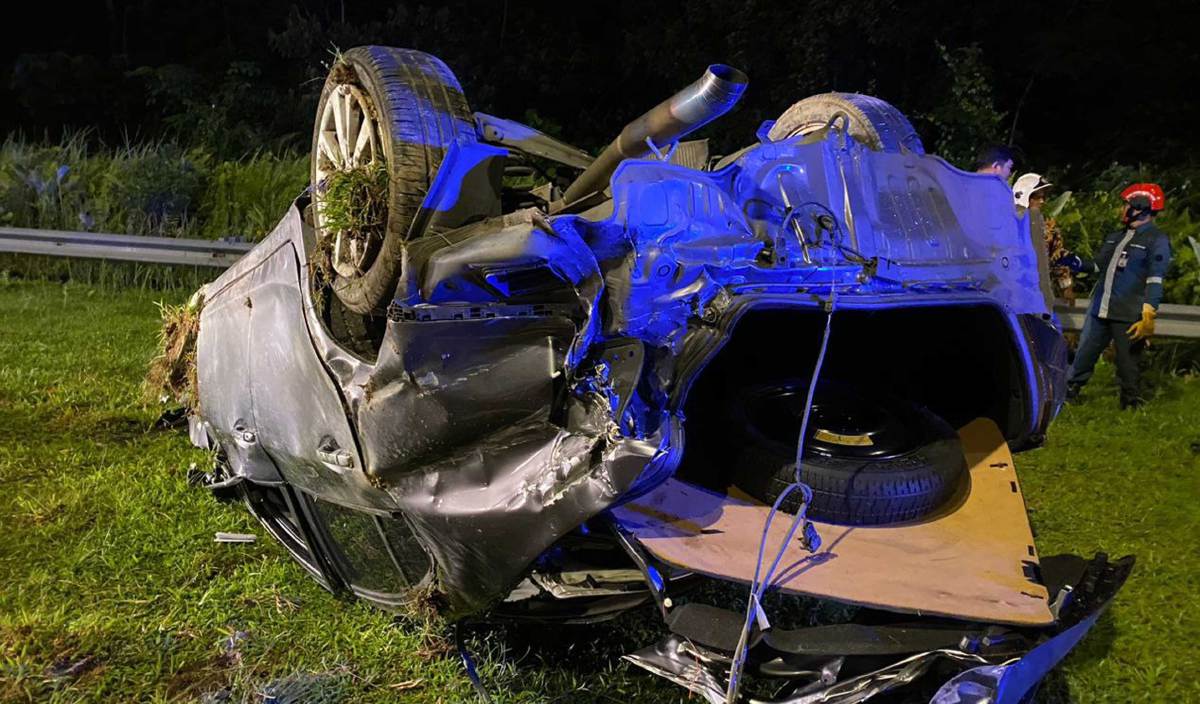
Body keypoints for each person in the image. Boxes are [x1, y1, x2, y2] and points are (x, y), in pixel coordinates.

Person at [1059, 183, 1172, 409]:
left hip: (1128, 312)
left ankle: (1130, 404)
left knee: (1127, 363)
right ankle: (1068, 395)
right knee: (1084, 355)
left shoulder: (1156, 240)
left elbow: (1155, 278)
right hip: (1100, 308)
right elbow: (1099, 267)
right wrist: (1077, 263)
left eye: (1126, 204)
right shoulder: (1116, 236)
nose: (1123, 208)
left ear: (1141, 207)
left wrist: (1149, 312)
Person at [1013, 173, 1056, 313]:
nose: (1042, 201)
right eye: (1037, 197)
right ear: (1024, 196)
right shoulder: (1010, 223)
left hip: (1036, 294)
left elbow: (1044, 260)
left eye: (1043, 197)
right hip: (1020, 294)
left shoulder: (1041, 222)